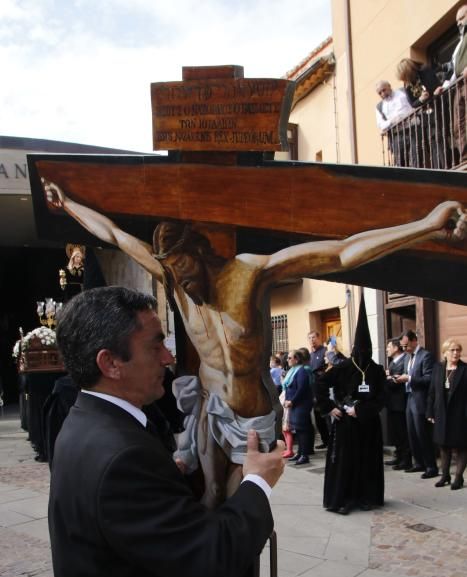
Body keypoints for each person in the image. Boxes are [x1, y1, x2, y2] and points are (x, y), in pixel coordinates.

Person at [42, 179, 466, 506]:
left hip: (250, 420)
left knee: (240, 505)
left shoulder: (247, 275)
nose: (181, 281)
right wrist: (68, 204)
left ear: (200, 251)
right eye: (171, 271)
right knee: (208, 500)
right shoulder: (172, 278)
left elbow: (341, 253)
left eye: (184, 266)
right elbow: (115, 236)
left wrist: (427, 226)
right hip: (211, 411)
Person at [48, 286, 284, 577]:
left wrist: (166, 480)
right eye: (155, 345)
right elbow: (212, 555)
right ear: (111, 363)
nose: (169, 358)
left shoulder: (90, 424)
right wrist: (258, 482)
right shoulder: (120, 457)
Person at [315, 296, 386, 515]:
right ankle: (344, 499)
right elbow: (319, 382)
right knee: (346, 462)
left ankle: (366, 496)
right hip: (346, 424)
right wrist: (330, 408)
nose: (363, 354)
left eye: (366, 350)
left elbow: (382, 398)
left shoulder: (376, 370)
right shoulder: (343, 367)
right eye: (360, 349)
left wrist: (362, 410)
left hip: (368, 425)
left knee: (367, 462)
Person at [396, 330, 438, 478]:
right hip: (409, 398)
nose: (404, 349)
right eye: (402, 346)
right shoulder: (408, 357)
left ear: (414, 341)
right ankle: (418, 463)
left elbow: (429, 379)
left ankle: (431, 466)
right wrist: (398, 378)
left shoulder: (426, 356)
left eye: (406, 345)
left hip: (421, 399)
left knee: (423, 434)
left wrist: (410, 379)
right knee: (412, 433)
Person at [426, 338, 467, 490]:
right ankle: (445, 475)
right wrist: (429, 411)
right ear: (444, 353)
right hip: (441, 413)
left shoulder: (464, 369)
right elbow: (431, 392)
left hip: (460, 414)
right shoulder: (438, 368)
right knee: (443, 445)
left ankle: (458, 477)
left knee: (462, 446)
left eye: (458, 350)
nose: (456, 353)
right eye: (452, 350)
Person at [395, 58, 444, 168]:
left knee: (439, 136)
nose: (406, 79)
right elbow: (413, 104)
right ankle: (439, 168)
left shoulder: (425, 71)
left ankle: (444, 165)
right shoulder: (407, 85)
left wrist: (433, 94)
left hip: (438, 108)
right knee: (432, 141)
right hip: (425, 117)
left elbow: (436, 86)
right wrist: (421, 99)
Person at [434, 5, 467, 162]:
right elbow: (454, 69)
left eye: (462, 18)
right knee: (458, 124)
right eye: (457, 21)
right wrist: (445, 86)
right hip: (459, 84)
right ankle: (465, 155)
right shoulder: (460, 44)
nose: (459, 23)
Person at [385, 337, 411, 470]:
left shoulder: (406, 359)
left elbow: (403, 378)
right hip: (391, 402)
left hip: (401, 402)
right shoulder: (392, 362)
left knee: (402, 432)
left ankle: (406, 460)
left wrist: (390, 378)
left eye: (389, 347)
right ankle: (398, 455)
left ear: (396, 348)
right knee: (395, 432)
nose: (387, 350)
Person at [284, 349, 313, 465]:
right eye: (288, 358)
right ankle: (300, 453)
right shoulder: (293, 370)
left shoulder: (301, 371)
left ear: (297, 359)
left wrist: (292, 401)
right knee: (298, 430)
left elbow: (301, 389)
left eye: (290, 358)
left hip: (301, 404)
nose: (288, 360)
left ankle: (304, 455)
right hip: (294, 405)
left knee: (302, 430)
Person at [375, 80, 413, 166]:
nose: (382, 94)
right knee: (400, 163)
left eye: (384, 90)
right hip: (396, 136)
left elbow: (412, 106)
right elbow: (381, 125)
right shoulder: (379, 107)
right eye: (380, 93)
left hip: (412, 129)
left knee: (416, 158)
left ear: (389, 86)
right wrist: (392, 121)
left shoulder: (403, 92)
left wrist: (399, 117)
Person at [307, 330, 329, 449]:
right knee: (318, 417)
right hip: (313, 390)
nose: (312, 340)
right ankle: (325, 440)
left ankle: (331, 440)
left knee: (326, 415)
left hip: (323, 389)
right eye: (309, 338)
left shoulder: (325, 351)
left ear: (319, 338)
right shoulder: (310, 355)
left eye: (314, 337)